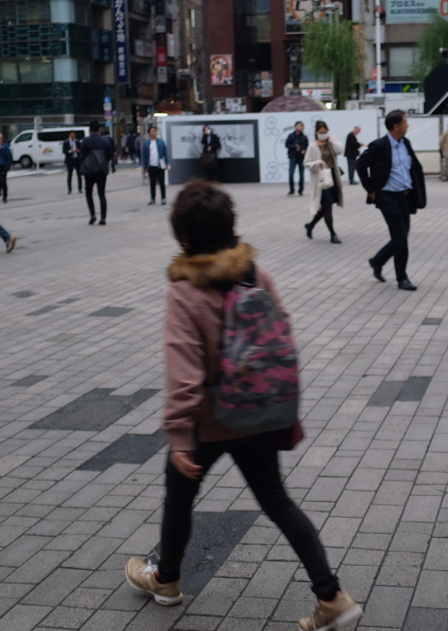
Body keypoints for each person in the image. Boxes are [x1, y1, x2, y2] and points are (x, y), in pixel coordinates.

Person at [123, 182, 364, 631]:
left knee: (179, 498)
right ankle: (331, 596)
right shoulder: (254, 273)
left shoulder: (184, 290)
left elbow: (184, 372)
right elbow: (282, 334)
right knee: (277, 501)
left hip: (208, 424)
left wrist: (179, 437)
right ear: (230, 228)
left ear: (185, 239)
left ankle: (167, 580)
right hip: (257, 415)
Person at [357, 110, 427, 291]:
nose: (408, 125)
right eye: (405, 122)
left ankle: (377, 260)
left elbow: (413, 168)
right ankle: (402, 278)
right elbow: (360, 164)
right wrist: (371, 189)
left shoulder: (406, 143)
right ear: (396, 126)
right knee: (401, 237)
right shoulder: (380, 145)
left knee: (401, 235)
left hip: (405, 197)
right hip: (387, 197)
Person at [303, 120, 344, 244]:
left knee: (326, 207)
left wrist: (331, 139)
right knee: (327, 206)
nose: (323, 134)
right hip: (321, 179)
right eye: (321, 132)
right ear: (316, 132)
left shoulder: (330, 143)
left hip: (332, 177)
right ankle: (333, 233)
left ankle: (310, 226)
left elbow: (340, 150)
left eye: (325, 132)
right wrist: (317, 163)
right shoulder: (312, 146)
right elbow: (306, 163)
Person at [79, 120, 115, 226]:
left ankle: (92, 215)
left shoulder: (86, 141)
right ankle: (103, 218)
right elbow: (109, 155)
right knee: (101, 194)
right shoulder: (105, 141)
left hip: (89, 171)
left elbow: (82, 156)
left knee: (89, 193)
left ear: (90, 130)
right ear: (99, 129)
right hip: (101, 170)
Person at [142, 125, 170, 206]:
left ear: (156, 132)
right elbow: (144, 156)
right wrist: (144, 167)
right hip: (151, 165)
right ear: (149, 133)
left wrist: (167, 164)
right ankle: (152, 198)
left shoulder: (161, 142)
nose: (153, 133)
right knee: (152, 183)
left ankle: (163, 198)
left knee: (162, 182)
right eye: (151, 131)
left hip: (160, 165)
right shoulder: (146, 144)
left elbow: (165, 153)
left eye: (154, 131)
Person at [286, 122, 308, 196]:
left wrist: (304, 150)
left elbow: (307, 146)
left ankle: (300, 190)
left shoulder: (304, 137)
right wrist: (294, 146)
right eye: (298, 125)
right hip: (293, 156)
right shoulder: (291, 136)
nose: (299, 127)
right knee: (291, 174)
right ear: (295, 126)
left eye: (301, 125)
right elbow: (287, 144)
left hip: (301, 157)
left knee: (301, 174)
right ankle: (291, 189)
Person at [62, 131, 82, 195]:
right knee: (70, 175)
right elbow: (64, 151)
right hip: (70, 160)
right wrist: (70, 151)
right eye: (72, 134)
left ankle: (80, 188)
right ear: (69, 135)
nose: (73, 136)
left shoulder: (77, 141)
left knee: (79, 175)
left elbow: (81, 149)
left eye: (74, 134)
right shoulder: (66, 142)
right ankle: (69, 189)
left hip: (77, 159)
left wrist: (78, 150)